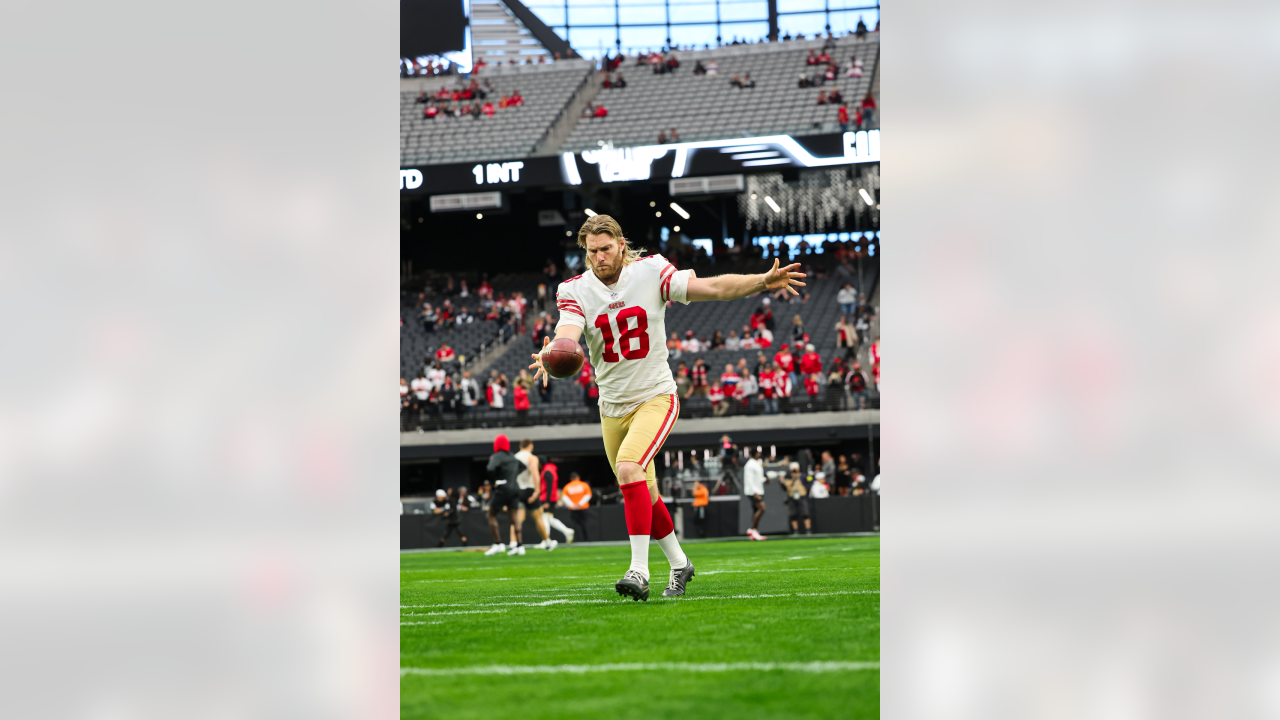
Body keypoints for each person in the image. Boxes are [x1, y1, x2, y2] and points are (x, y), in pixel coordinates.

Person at [529, 213, 805, 600]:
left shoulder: (651, 271)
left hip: (655, 395)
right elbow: (567, 334)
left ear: (621, 244)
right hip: (612, 406)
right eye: (592, 252)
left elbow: (713, 288)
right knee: (646, 493)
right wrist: (553, 352)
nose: (600, 258)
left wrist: (761, 280)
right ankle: (680, 564)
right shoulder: (574, 289)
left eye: (606, 249)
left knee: (628, 469)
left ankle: (638, 571)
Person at [484, 434, 524, 555]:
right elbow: (523, 466)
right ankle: (520, 546)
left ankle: (498, 543)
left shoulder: (497, 456)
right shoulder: (512, 456)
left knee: (491, 514)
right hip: (515, 488)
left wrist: (497, 480)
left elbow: (490, 469)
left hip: (503, 488)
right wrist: (512, 476)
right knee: (514, 516)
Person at [513, 439, 554, 551]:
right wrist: (537, 491)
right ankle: (547, 542)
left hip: (517, 490)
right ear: (531, 446)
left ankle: (514, 544)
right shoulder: (532, 458)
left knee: (517, 519)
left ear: (520, 446)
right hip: (529, 489)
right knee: (538, 518)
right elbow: (535, 474)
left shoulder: (514, 457)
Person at [538, 457, 576, 544]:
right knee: (549, 519)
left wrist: (547, 501)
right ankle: (567, 531)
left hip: (548, 498)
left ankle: (546, 541)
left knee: (544, 518)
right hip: (551, 497)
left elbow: (549, 486)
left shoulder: (547, 471)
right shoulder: (550, 469)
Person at [558, 472, 593, 541]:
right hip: (583, 508)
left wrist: (573, 505)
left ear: (571, 478)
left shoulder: (567, 486)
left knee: (575, 526)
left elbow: (564, 497)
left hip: (572, 509)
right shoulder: (584, 485)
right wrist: (580, 504)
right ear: (578, 477)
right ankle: (586, 540)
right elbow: (588, 495)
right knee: (584, 525)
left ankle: (577, 540)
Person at [780, 462, 812, 534]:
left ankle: (808, 530)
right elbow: (785, 488)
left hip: (802, 496)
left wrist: (806, 487)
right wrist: (782, 482)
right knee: (793, 515)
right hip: (791, 497)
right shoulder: (787, 477)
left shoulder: (803, 476)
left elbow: (810, 480)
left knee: (805, 514)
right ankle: (795, 530)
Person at [743, 448, 767, 540]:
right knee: (762, 508)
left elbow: (758, 478)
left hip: (759, 490)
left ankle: (754, 533)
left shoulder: (756, 463)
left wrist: (766, 480)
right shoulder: (750, 464)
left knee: (755, 511)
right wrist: (754, 492)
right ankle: (752, 529)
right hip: (753, 491)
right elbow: (749, 479)